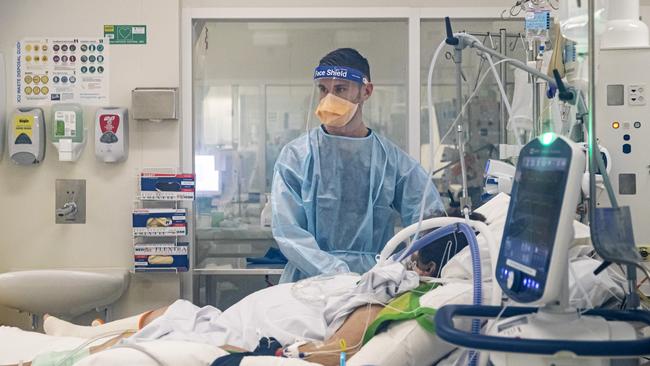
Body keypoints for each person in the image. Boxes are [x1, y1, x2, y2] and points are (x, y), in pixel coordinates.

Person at [272, 48, 445, 283]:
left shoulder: (391, 162)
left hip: (373, 283)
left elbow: (429, 221)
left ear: (366, 91)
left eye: (340, 89)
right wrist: (337, 273)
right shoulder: (296, 157)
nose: (329, 100)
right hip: (308, 282)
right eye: (323, 89)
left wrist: (407, 264)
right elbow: (288, 231)